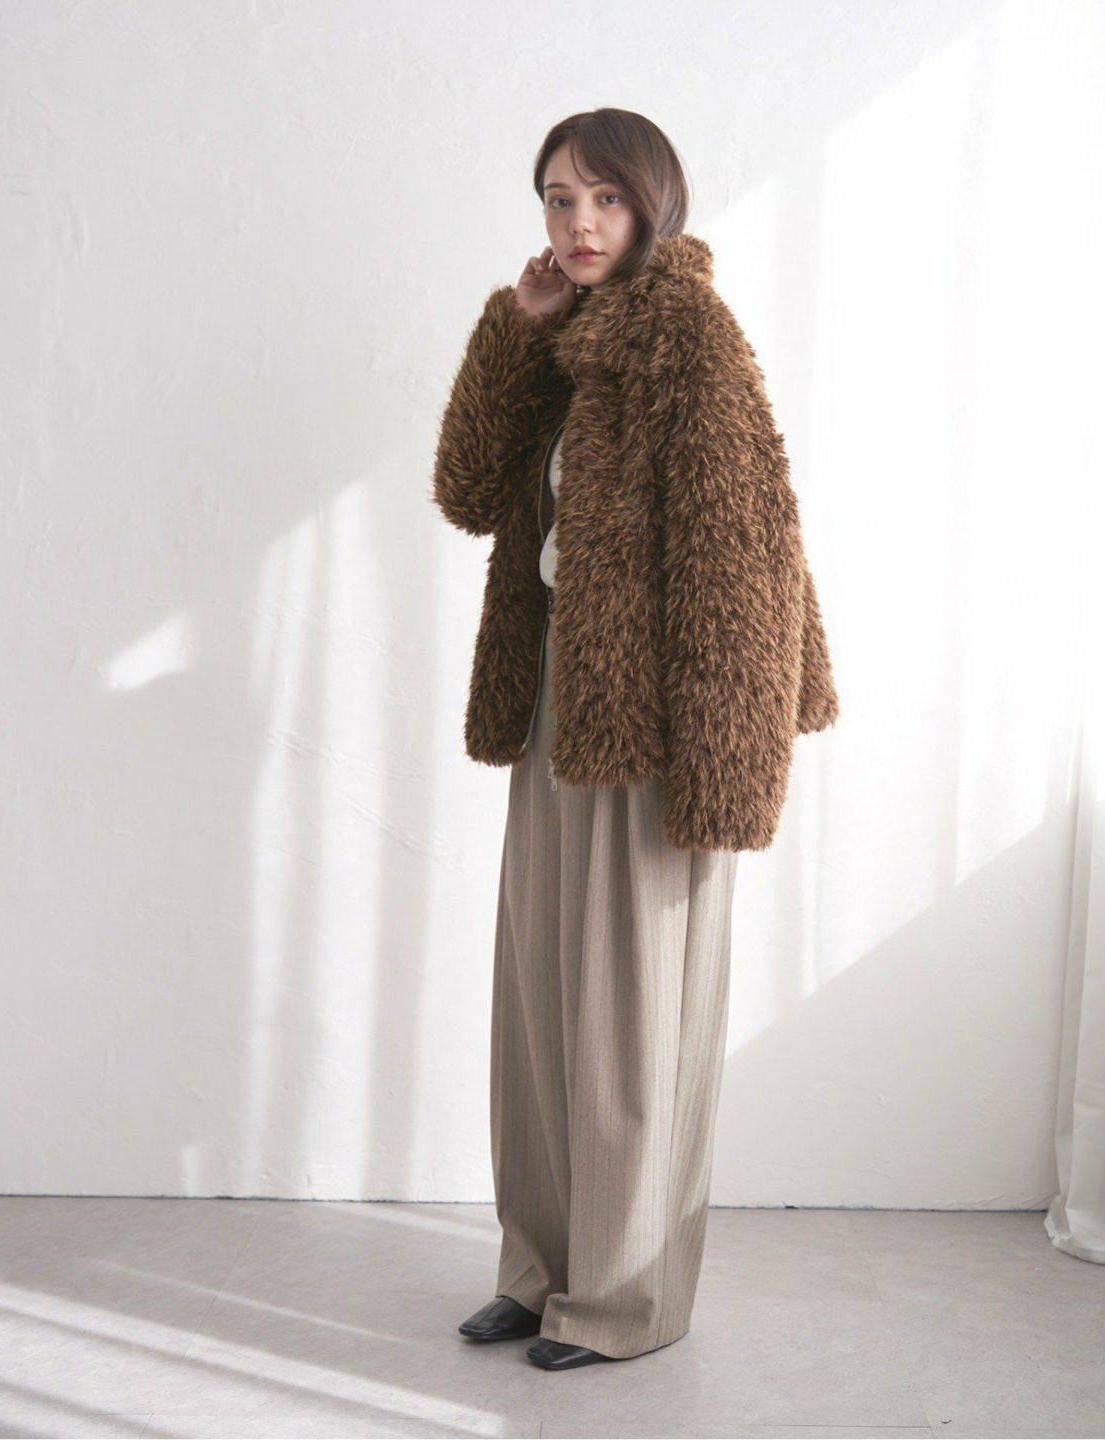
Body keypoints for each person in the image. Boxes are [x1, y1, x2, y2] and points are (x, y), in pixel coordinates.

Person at [432, 109, 840, 1370]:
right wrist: (520, 331)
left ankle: (622, 1300)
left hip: (658, 728)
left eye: (604, 198)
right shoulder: (565, 335)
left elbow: (743, 555)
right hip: (559, 704)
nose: (578, 223)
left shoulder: (688, 335)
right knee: (541, 1011)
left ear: (653, 204)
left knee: (628, 1025)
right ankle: (539, 1270)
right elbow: (466, 490)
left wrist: (724, 769)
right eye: (559, 199)